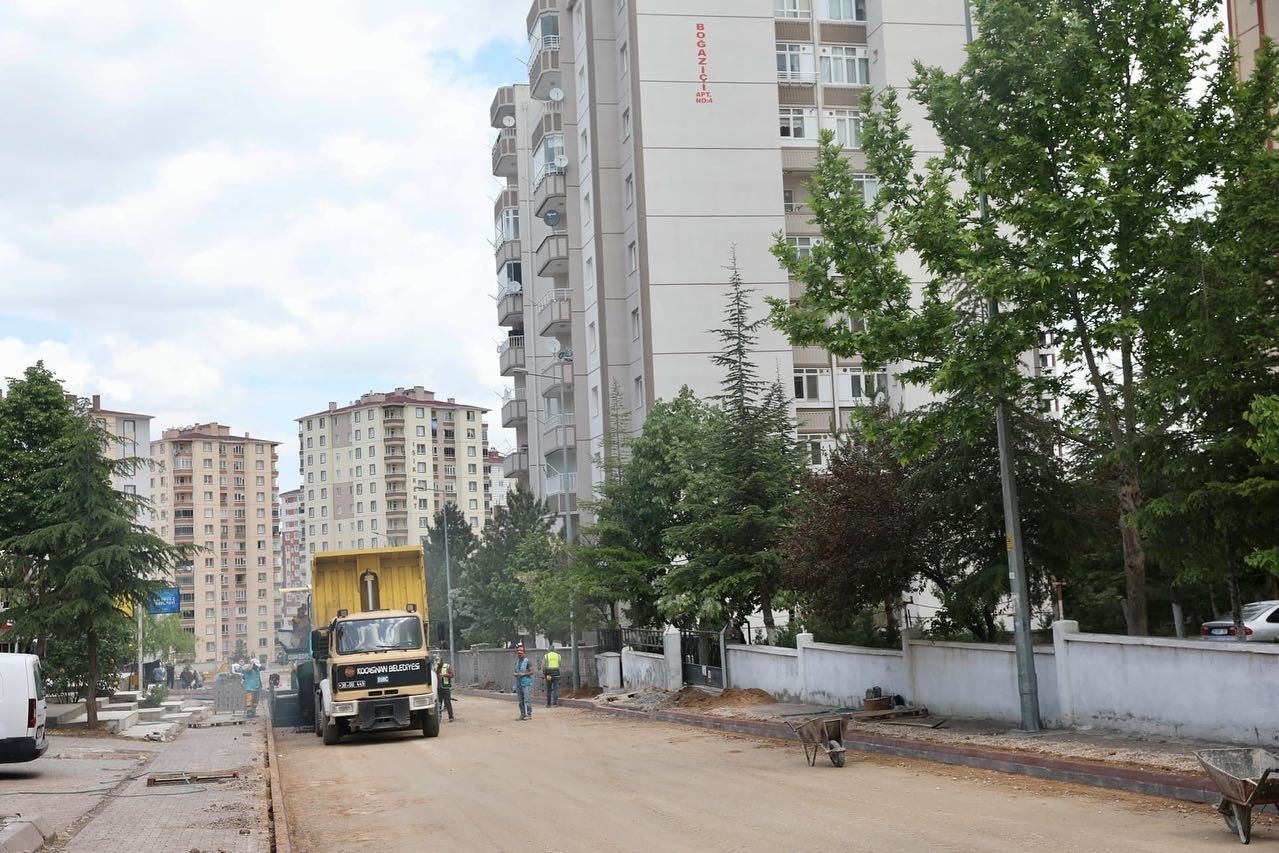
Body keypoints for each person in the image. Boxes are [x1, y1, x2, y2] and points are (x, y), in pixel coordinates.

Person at [513, 644, 533, 720]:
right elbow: (515, 671)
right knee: (520, 700)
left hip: (526, 683)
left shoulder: (527, 662)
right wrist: (515, 674)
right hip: (519, 683)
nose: (519, 654)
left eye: (521, 653)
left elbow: (532, 672)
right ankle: (522, 714)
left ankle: (529, 714)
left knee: (527, 699)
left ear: (524, 653)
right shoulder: (517, 662)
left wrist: (524, 674)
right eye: (518, 653)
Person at [541, 642, 561, 707]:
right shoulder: (558, 655)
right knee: (556, 689)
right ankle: (555, 703)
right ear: (554, 649)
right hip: (556, 674)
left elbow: (544, 666)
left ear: (549, 649)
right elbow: (559, 664)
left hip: (549, 675)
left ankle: (548, 704)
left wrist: (544, 674)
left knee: (548, 689)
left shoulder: (546, 656)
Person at [436, 655, 454, 722]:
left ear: (442, 661)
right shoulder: (435, 667)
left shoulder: (447, 666)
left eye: (439, 662)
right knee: (439, 704)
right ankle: (439, 718)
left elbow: (452, 675)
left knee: (448, 703)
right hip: (438, 688)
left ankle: (451, 717)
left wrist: (444, 675)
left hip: (445, 687)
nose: (438, 663)